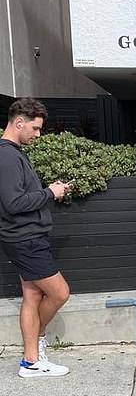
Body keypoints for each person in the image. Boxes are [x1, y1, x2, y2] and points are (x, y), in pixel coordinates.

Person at [0, 98, 73, 377]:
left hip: (24, 237)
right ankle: (35, 348)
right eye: (36, 128)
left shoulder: (12, 153)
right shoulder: (7, 155)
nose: (38, 134)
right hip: (25, 239)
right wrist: (49, 193)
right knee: (60, 292)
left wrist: (47, 190)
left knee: (31, 295)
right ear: (19, 122)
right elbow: (13, 203)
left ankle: (30, 360)